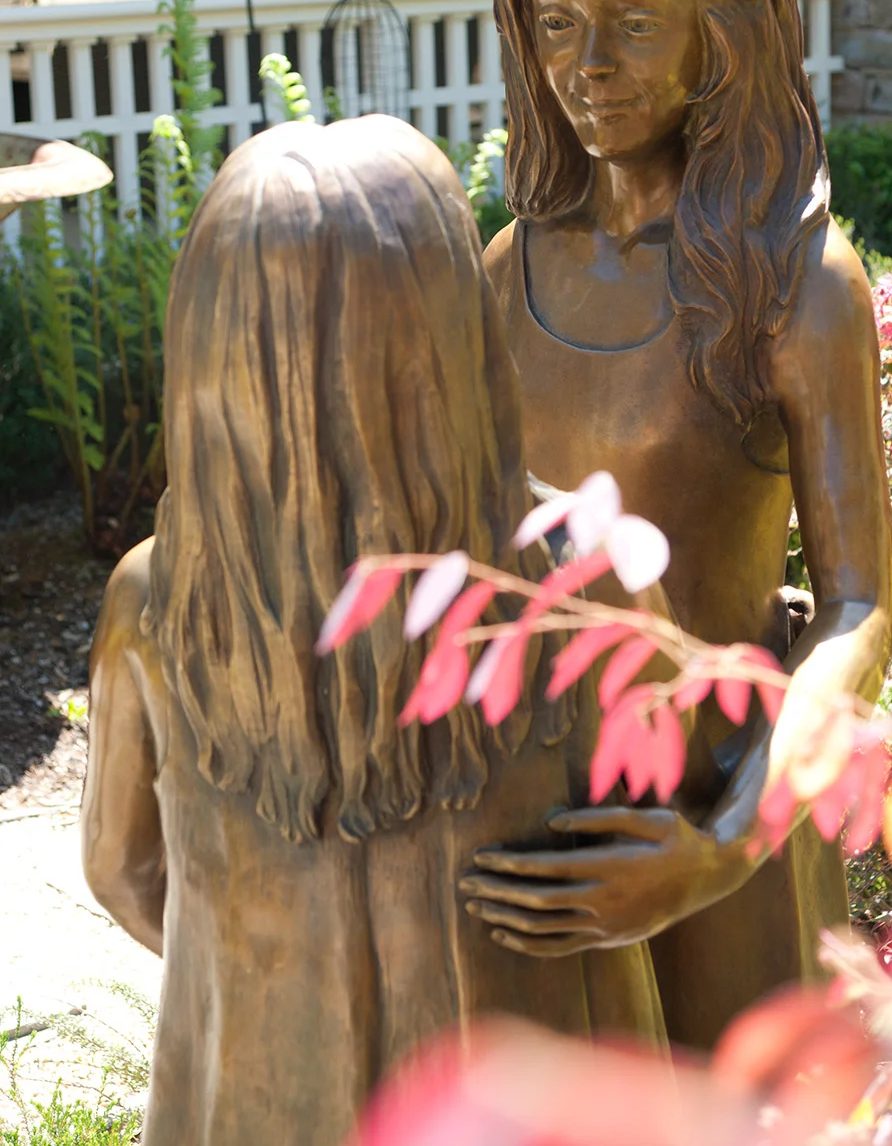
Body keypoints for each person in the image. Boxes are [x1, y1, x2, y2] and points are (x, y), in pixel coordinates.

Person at [80, 117, 665, 1146]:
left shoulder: (154, 604)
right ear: (452, 337)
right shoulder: (581, 571)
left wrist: (262, 974)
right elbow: (667, 811)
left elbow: (123, 870)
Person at [465, 0, 892, 1048]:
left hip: (719, 824)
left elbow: (859, 609)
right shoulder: (505, 274)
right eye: (554, 20)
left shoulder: (801, 288)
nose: (584, 62)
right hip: (538, 837)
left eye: (634, 20)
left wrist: (714, 854)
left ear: (725, 28)